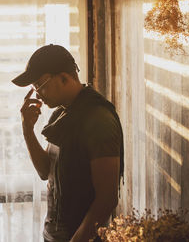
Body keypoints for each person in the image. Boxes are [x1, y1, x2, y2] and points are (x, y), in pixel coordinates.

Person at [12, 44, 124, 242]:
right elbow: (45, 171)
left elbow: (107, 198)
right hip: (54, 234)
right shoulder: (61, 114)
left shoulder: (98, 118)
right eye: (34, 87)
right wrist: (27, 129)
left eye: (40, 84)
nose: (37, 93)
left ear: (63, 77)